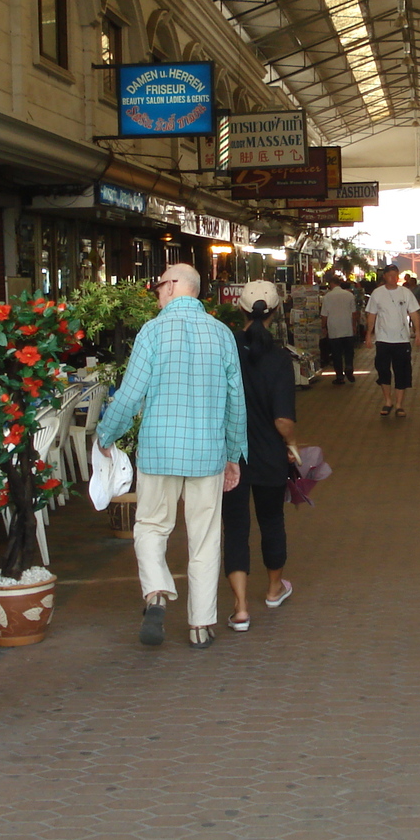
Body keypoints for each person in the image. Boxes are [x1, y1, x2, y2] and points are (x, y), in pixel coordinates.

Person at [94, 263, 246, 651]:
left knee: (150, 526)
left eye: (160, 285)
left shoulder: (152, 331)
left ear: (176, 286)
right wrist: (233, 454)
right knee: (206, 538)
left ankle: (158, 591)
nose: (156, 292)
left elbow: (129, 394)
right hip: (208, 453)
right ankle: (200, 625)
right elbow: (236, 403)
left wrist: (106, 434)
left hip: (159, 450)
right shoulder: (222, 333)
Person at [224, 282, 298, 633]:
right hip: (269, 455)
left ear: (239, 309)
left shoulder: (226, 349)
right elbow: (283, 420)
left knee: (236, 528)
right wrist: (293, 442)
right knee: (272, 522)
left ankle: (240, 608)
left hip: (230, 456)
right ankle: (272, 590)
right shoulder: (281, 357)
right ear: (276, 312)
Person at [365, 264, 420, 418]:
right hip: (383, 339)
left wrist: (418, 332)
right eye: (390, 275)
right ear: (384, 276)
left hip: (402, 340)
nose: (393, 278)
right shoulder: (377, 294)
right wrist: (368, 335)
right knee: (383, 370)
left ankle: (399, 404)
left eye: (396, 275)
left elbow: (414, 313)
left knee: (401, 372)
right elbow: (371, 315)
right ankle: (388, 401)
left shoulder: (406, 293)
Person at [320, 275, 358, 383]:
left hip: (334, 329)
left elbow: (324, 315)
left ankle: (339, 376)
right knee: (348, 351)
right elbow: (354, 313)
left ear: (331, 283)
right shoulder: (349, 295)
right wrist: (354, 326)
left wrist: (323, 327)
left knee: (336, 354)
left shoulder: (327, 297)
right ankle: (349, 366)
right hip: (347, 327)